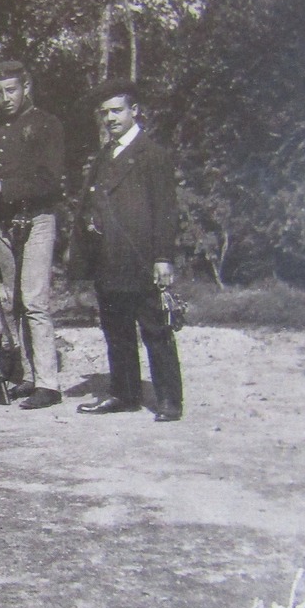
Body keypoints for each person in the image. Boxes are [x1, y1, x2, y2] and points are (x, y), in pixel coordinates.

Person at [74, 79, 184, 422]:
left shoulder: (152, 155)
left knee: (155, 329)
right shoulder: (103, 156)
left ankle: (169, 400)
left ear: (135, 111)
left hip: (141, 256)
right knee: (116, 330)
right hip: (109, 257)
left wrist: (163, 256)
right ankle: (124, 393)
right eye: (104, 113)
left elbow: (166, 209)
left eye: (117, 110)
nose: (110, 118)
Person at [0, 60, 66, 409]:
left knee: (35, 300)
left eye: (11, 90)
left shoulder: (47, 125)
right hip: (1, 224)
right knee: (12, 301)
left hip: (36, 219)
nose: (6, 98)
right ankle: (27, 374)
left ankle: (49, 383)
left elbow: (50, 181)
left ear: (26, 88)